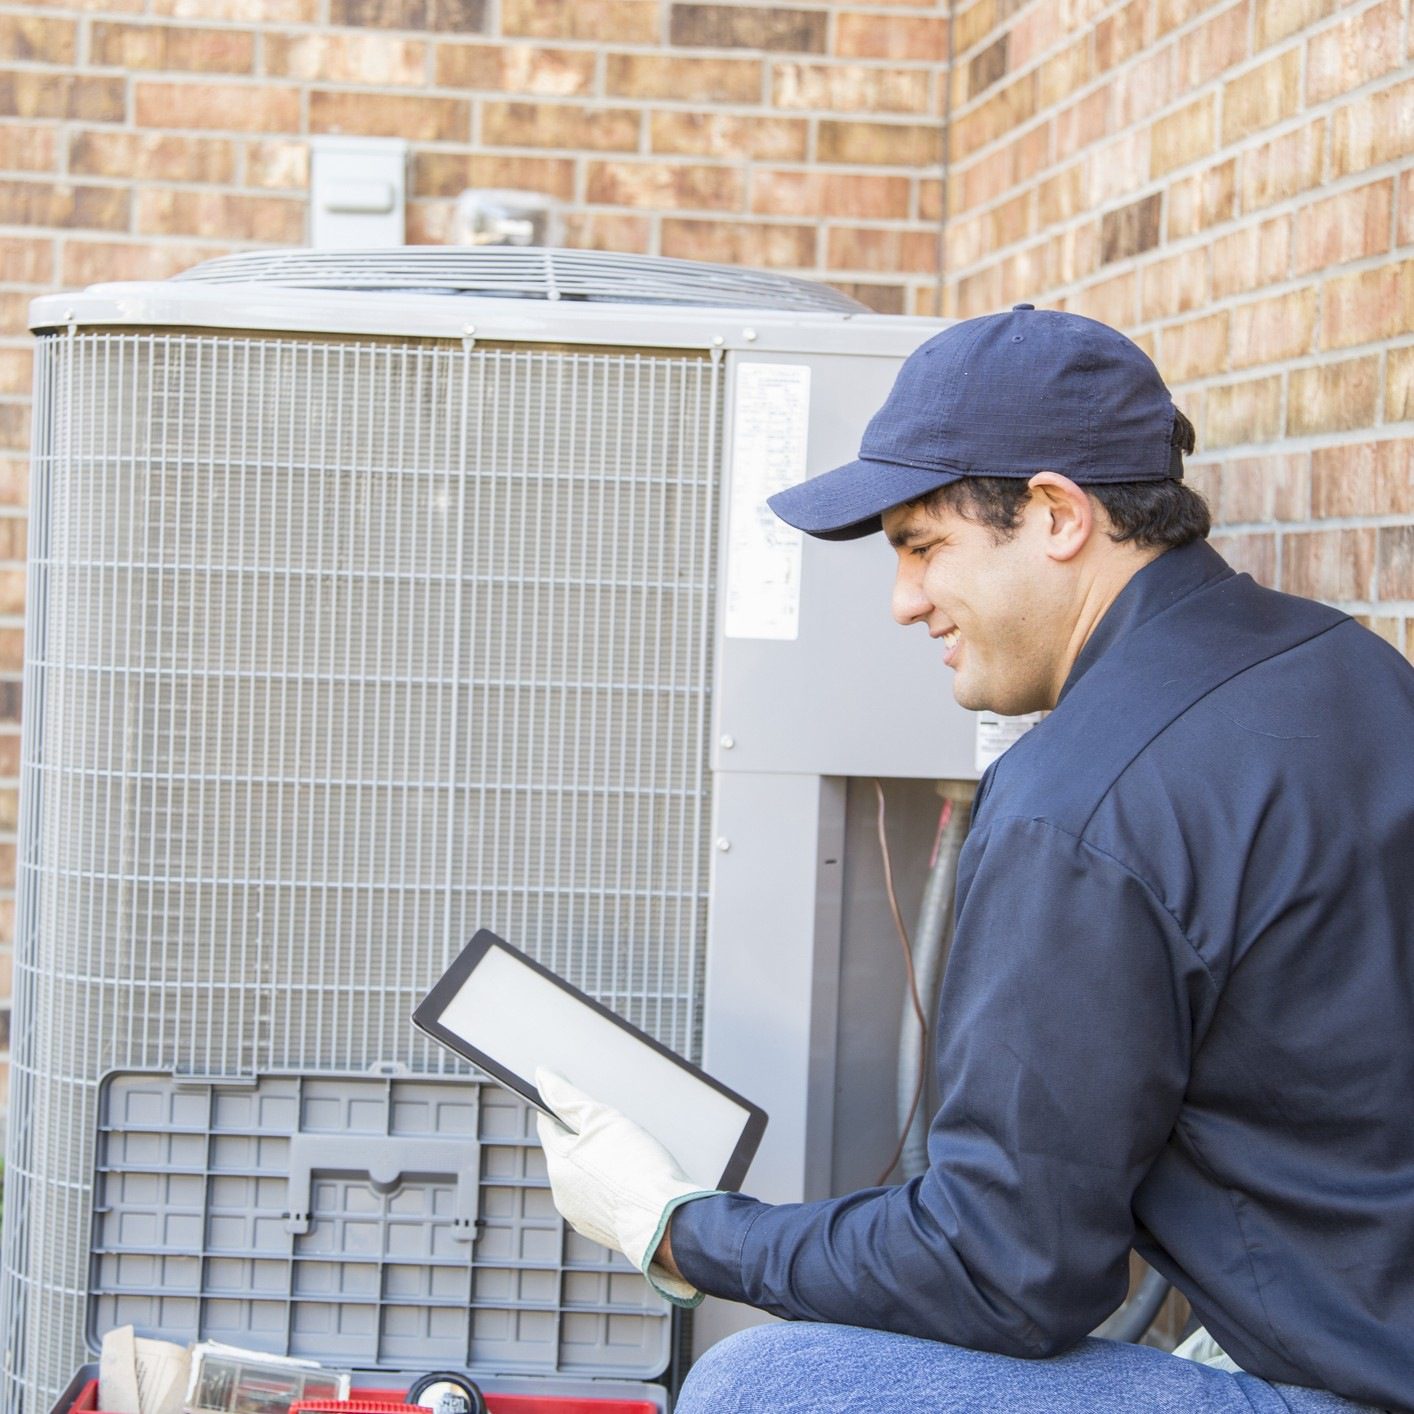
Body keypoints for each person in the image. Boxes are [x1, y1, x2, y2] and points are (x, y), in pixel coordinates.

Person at [535, 306, 1414, 1412]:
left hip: (1350, 1388)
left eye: (921, 547)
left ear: (1054, 514)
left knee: (769, 1385)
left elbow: (1002, 1270)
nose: (905, 603)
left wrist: (675, 1228)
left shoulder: (1078, 803)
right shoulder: (1350, 665)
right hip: (1366, 1323)